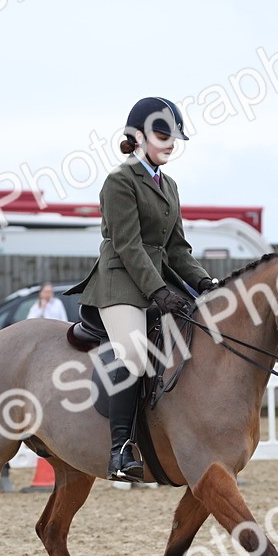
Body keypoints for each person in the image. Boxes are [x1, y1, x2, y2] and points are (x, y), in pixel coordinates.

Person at [66, 96, 219, 482]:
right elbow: (128, 246)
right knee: (133, 352)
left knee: (196, 336)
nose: (170, 144)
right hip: (120, 283)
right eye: (162, 135)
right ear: (137, 136)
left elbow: (178, 249)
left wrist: (205, 282)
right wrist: (158, 291)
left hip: (157, 282)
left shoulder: (169, 185)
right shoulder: (119, 181)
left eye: (174, 137)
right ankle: (120, 450)